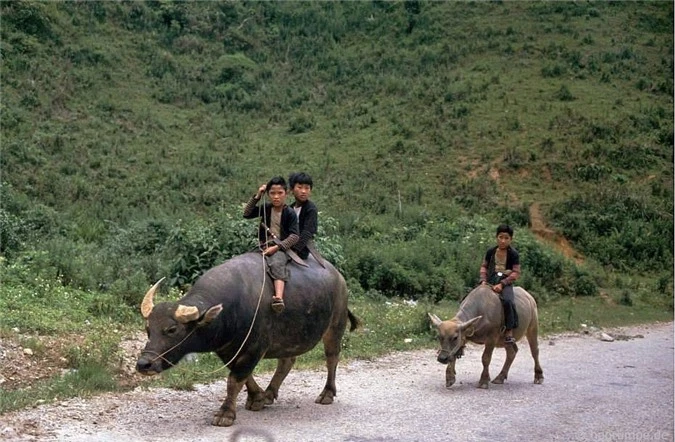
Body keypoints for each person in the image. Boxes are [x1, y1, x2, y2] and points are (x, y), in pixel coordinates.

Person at [243, 176, 299, 313]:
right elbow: (247, 213)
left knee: (277, 263)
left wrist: (277, 248)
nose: (276, 197)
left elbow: (294, 236)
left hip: (281, 248)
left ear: (286, 194)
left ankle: (278, 298)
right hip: (264, 245)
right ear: (268, 194)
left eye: (280, 193)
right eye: (272, 193)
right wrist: (257, 196)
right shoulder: (266, 208)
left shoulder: (290, 213)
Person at [480, 224, 520, 344]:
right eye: (500, 237)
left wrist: (502, 284)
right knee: (471, 297)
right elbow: (484, 267)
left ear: (510, 239)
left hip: (505, 282)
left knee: (508, 301)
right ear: (496, 237)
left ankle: (509, 330)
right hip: (490, 281)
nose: (503, 240)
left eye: (506, 238)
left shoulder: (513, 254)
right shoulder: (490, 252)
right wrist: (483, 280)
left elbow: (516, 272)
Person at [288, 172, 319, 262]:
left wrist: (295, 251)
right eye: (300, 187)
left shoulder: (311, 209)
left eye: (307, 188)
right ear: (292, 189)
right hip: (287, 245)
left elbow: (307, 232)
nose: (303, 191)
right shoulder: (290, 208)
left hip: (301, 250)